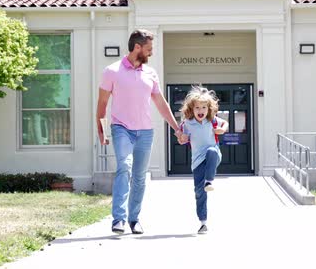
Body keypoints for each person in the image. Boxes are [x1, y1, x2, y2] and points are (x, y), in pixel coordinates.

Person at [96, 29, 182, 235]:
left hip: (145, 131)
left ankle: (134, 219)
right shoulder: (112, 71)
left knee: (140, 176)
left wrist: (176, 128)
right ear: (137, 47)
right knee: (124, 167)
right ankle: (118, 219)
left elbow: (160, 103)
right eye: (149, 49)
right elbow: (102, 103)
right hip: (121, 128)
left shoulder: (150, 73)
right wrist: (101, 130)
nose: (151, 53)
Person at [178, 85, 228, 234]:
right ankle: (203, 222)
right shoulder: (187, 124)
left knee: (212, 151)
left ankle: (209, 180)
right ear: (192, 109)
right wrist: (182, 138)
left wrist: (222, 130)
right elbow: (181, 139)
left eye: (204, 108)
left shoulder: (212, 120)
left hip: (214, 155)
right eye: (197, 108)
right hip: (197, 162)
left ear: (209, 108)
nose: (201, 111)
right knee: (199, 193)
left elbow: (225, 123)